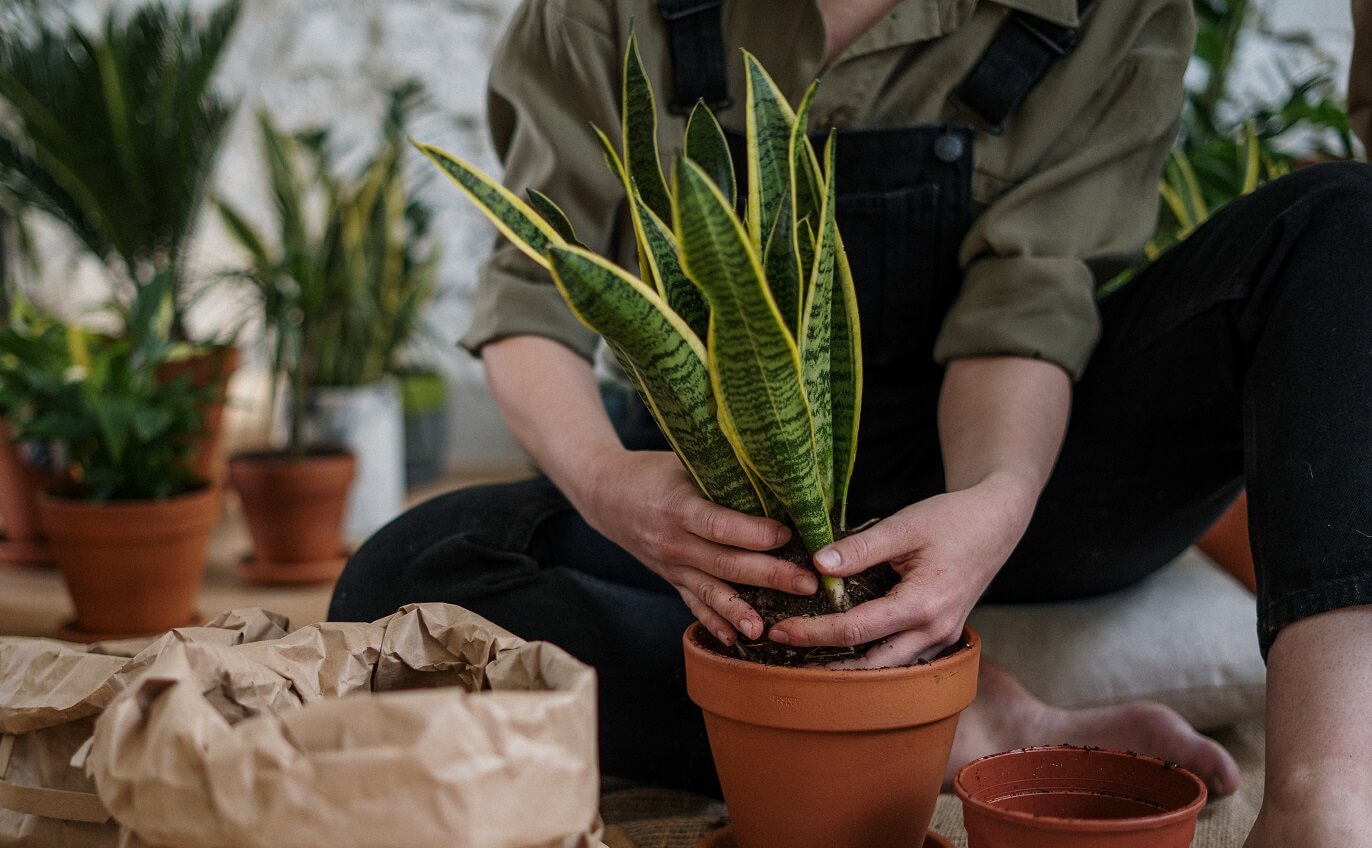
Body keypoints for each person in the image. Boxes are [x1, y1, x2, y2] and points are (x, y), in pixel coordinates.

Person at [332, 1, 1372, 843]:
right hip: (738, 514)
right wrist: (612, 486)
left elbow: (1025, 304)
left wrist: (997, 501)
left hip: (1024, 477)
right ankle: (954, 719)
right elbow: (535, 300)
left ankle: (1325, 798)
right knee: (405, 578)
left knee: (1339, 223)